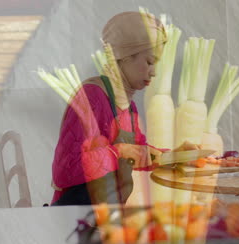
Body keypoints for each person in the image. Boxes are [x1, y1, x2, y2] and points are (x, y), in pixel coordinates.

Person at [51, 11, 168, 206]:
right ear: (124, 57)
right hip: (75, 218)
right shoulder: (91, 97)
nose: (153, 72)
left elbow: (139, 153)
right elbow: (64, 172)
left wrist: (177, 156)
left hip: (106, 216)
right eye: (149, 61)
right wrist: (118, 152)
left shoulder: (128, 106)